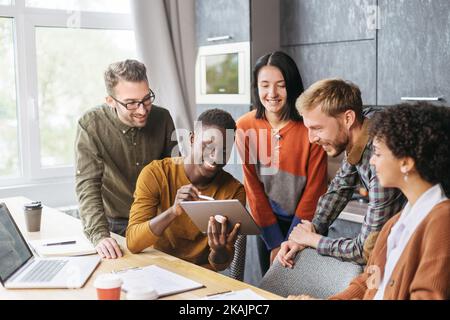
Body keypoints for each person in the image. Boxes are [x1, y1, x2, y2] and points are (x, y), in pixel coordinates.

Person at [292, 102, 450, 300]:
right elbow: (369, 280)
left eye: (377, 153)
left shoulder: (442, 221)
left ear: (406, 162)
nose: (372, 161)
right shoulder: (396, 223)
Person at [277, 79, 406, 266]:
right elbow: (340, 187)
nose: (311, 139)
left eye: (317, 128)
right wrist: (312, 228)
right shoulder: (364, 125)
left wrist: (312, 239)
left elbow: (366, 250)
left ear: (348, 118)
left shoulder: (381, 158)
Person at [236, 51, 328, 274]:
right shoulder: (245, 126)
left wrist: (293, 239)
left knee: (303, 289)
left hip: (306, 224)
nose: (272, 93)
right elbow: (253, 188)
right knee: (270, 288)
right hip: (268, 226)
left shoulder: (310, 126)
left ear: (292, 86)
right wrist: (276, 243)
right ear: (256, 88)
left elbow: (315, 189)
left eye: (281, 85)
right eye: (264, 85)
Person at [75, 59, 177, 260]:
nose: (142, 109)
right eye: (131, 103)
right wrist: (99, 235)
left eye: (147, 99)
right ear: (110, 101)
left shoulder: (163, 118)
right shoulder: (91, 125)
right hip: (114, 225)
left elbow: (174, 174)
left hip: (155, 223)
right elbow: (88, 184)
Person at [126, 109, 243, 271]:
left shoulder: (234, 191)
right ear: (192, 139)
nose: (215, 157)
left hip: (201, 276)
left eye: (224, 150)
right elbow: (133, 242)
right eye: (208, 146)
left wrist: (219, 249)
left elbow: (221, 263)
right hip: (157, 268)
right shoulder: (156, 174)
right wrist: (173, 211)